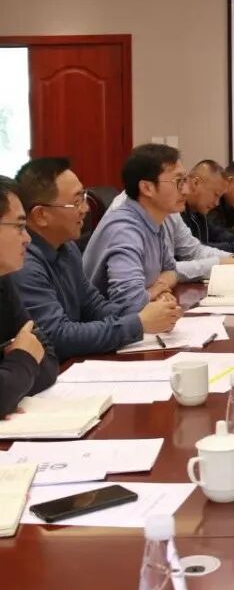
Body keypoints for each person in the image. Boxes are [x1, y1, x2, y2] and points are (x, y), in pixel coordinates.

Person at [13, 158, 181, 361]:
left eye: (83, 197)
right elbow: (57, 337)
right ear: (41, 215)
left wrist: (150, 313)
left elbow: (94, 307)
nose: (85, 209)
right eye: (76, 202)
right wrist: (139, 324)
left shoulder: (67, 248)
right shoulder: (23, 263)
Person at [82, 144, 184, 313]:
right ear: (147, 188)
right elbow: (129, 303)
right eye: (178, 181)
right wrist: (154, 292)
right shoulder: (124, 229)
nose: (186, 190)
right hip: (109, 325)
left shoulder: (154, 220)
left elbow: (171, 271)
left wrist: (157, 291)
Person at [0, 176, 58, 417]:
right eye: (19, 227)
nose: (28, 238)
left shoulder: (3, 279)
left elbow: (49, 362)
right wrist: (22, 359)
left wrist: (12, 381)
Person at [181, 160, 234, 255]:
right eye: (215, 195)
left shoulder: (198, 211)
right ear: (196, 183)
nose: (216, 203)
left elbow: (216, 233)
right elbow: (194, 249)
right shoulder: (176, 212)